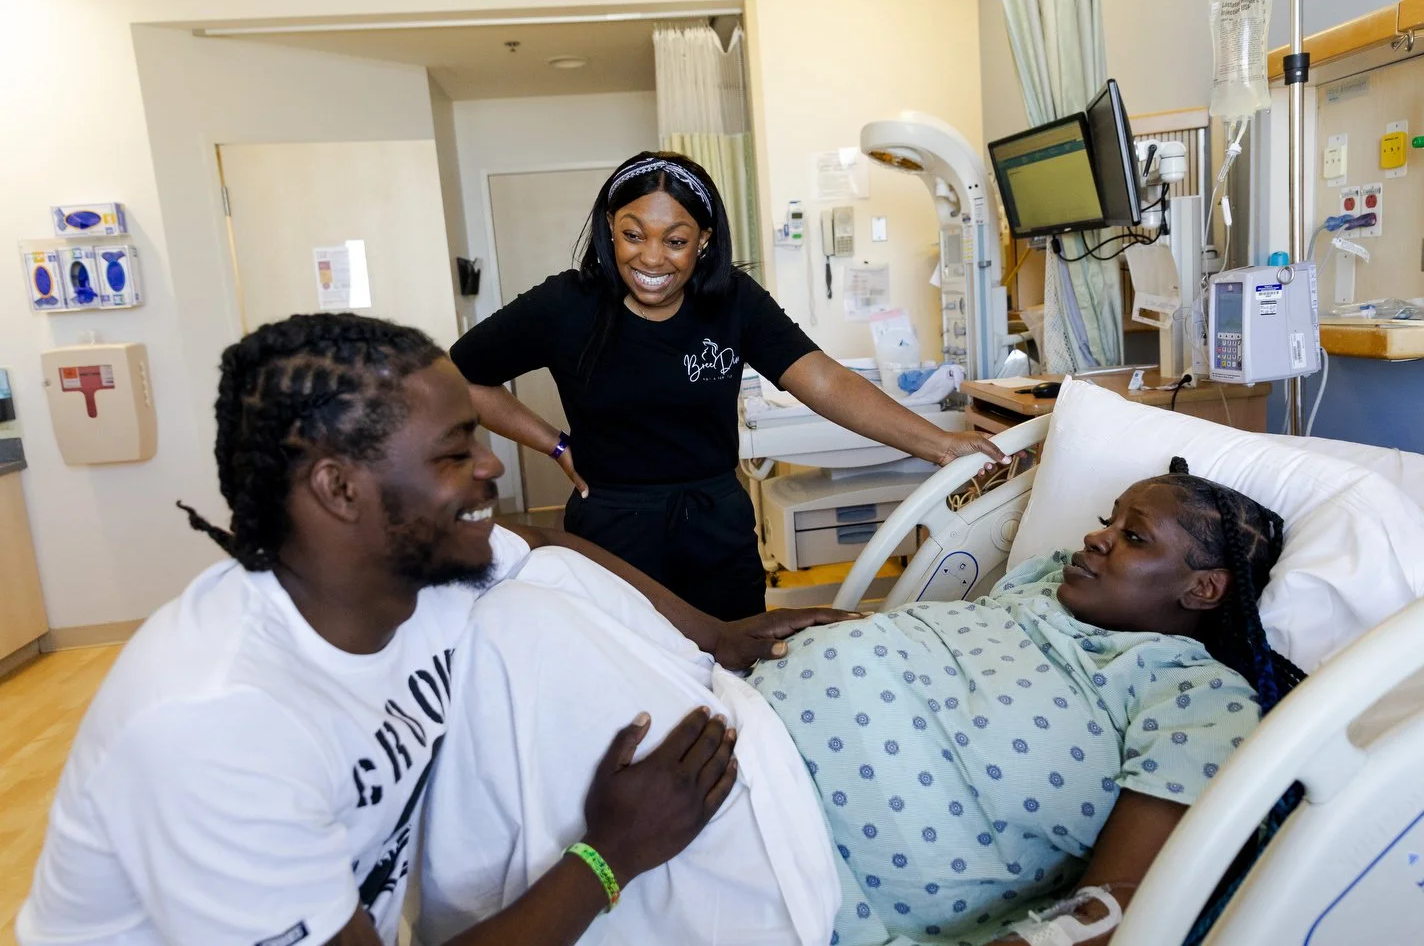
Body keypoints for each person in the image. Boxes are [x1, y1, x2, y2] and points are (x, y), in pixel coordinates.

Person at [17, 313, 852, 946]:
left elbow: (547, 543)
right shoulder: (217, 725)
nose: (493, 467)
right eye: (456, 452)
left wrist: (715, 635)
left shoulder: (418, 576)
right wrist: (610, 853)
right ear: (341, 490)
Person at [419, 458, 1303, 946]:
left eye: (1133, 536)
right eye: (1109, 516)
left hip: (781, 844)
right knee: (541, 567)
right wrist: (722, 636)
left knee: (515, 626)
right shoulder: (1042, 588)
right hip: (727, 708)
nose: (1096, 535)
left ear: (1202, 591)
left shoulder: (1196, 696)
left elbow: (1115, 912)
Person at [449, 150, 1006, 620]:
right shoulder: (566, 304)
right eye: (632, 234)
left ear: (704, 241)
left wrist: (941, 444)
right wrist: (556, 444)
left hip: (716, 525)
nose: (650, 257)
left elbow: (820, 378)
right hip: (612, 529)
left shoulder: (731, 301)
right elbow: (459, 378)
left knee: (738, 674)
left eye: (675, 240)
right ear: (609, 229)